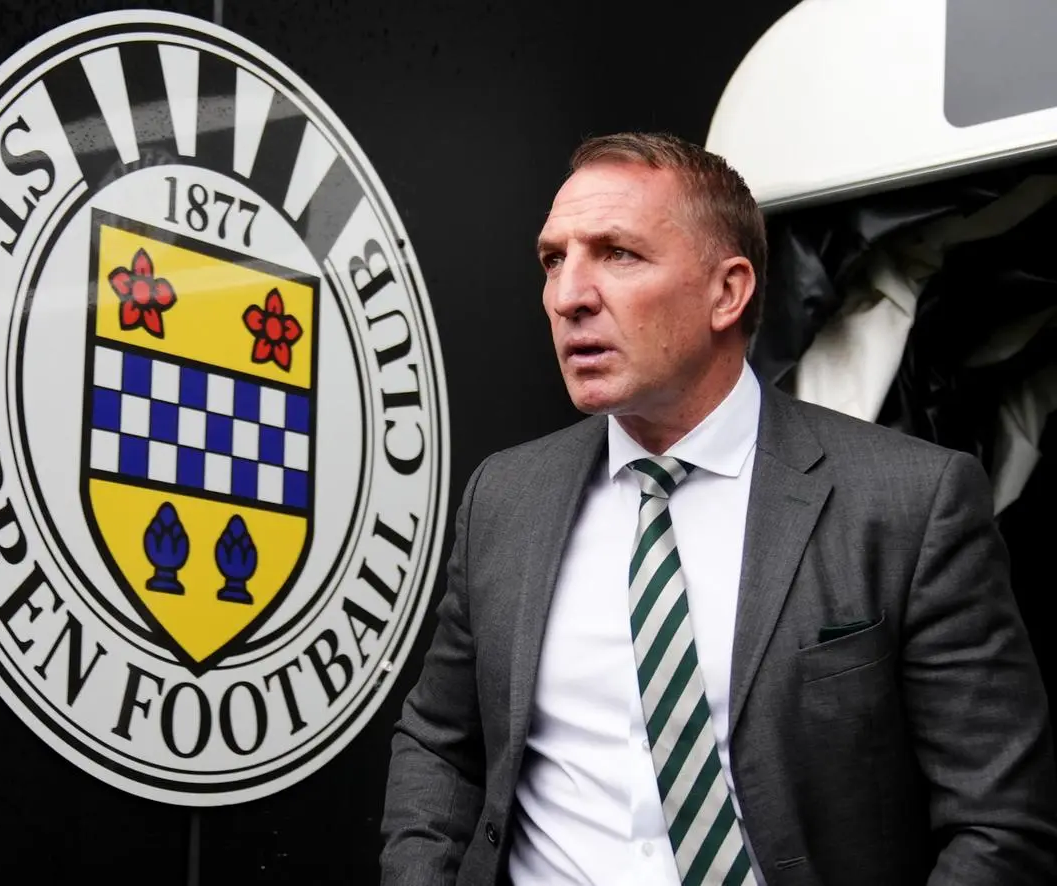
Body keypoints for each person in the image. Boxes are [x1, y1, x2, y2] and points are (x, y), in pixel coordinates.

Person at [379, 132, 1057, 886]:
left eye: (618, 254)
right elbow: (439, 739)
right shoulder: (504, 497)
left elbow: (999, 824)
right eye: (553, 259)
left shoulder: (908, 503)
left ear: (727, 292)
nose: (568, 295)